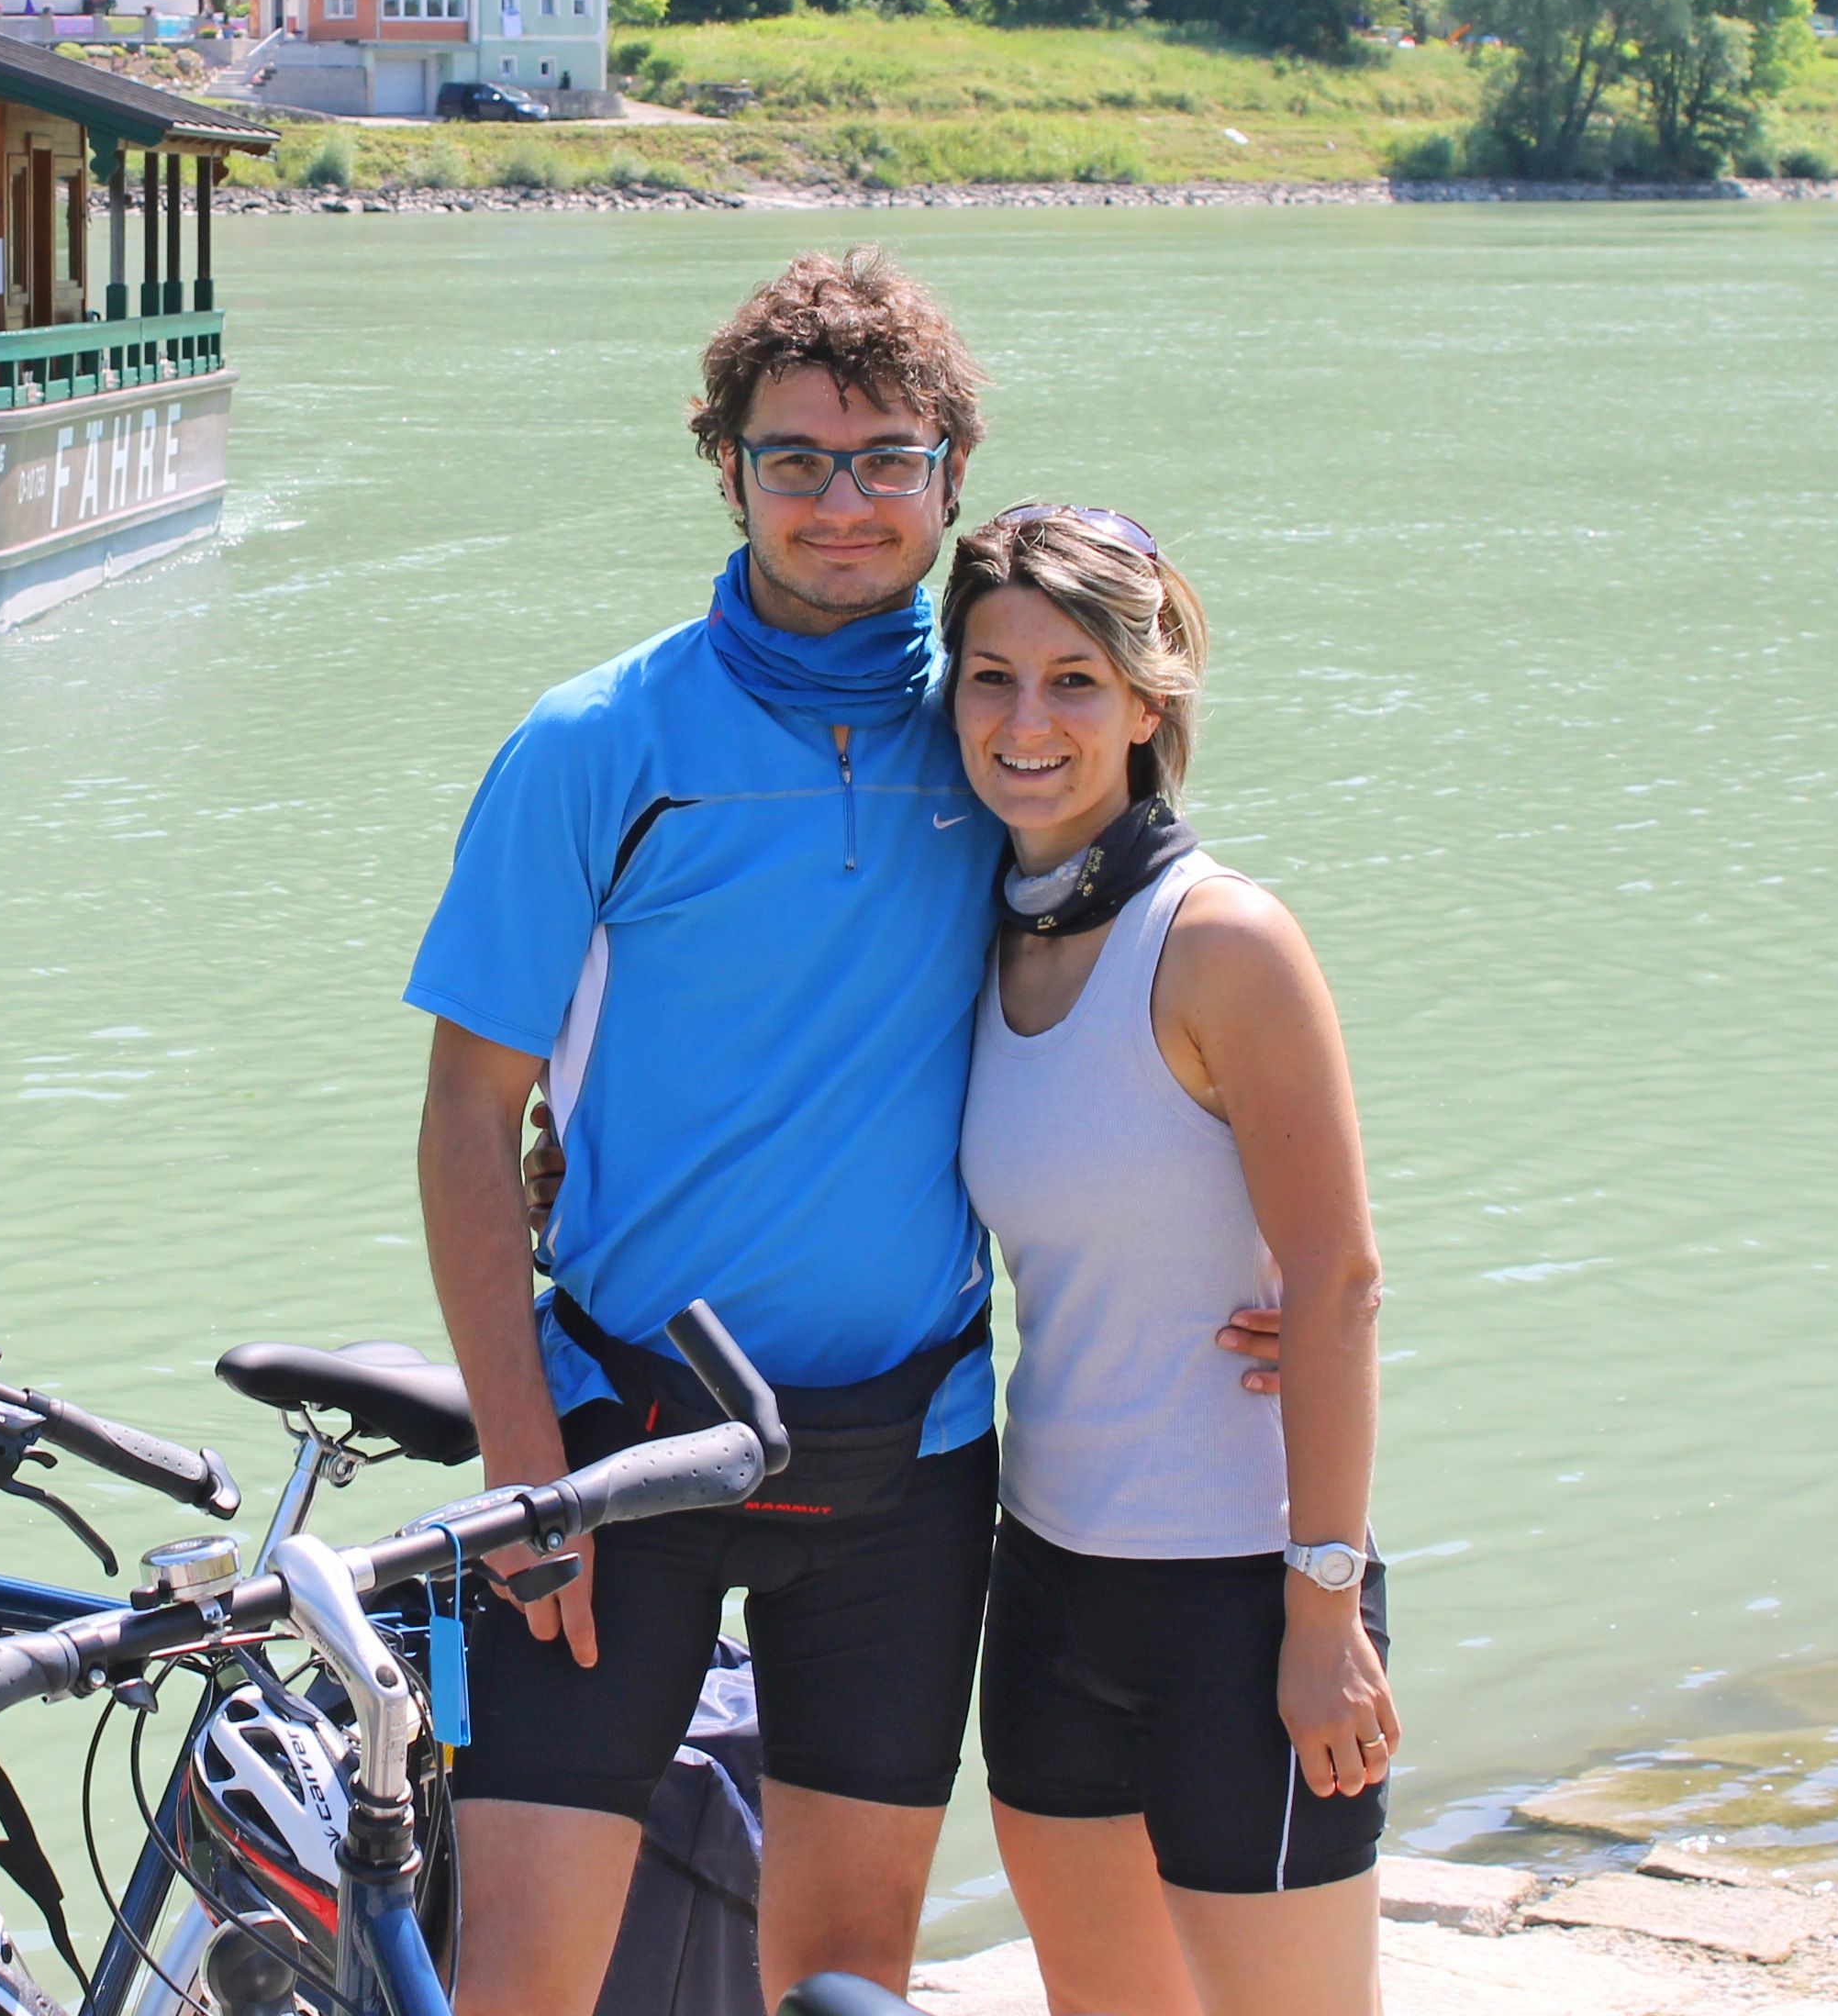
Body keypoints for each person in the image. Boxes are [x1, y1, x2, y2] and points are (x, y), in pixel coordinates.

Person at [406, 249, 1005, 2013]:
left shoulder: (1006, 736)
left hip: (912, 1446)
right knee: (522, 1967)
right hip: (618, 1441)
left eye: (887, 457)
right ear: (724, 467)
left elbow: (1144, 1025)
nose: (843, 501)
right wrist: (524, 1471)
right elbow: (465, 1126)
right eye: (794, 459)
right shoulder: (599, 741)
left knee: (844, 1978)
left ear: (952, 473)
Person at [946, 506, 1398, 2016]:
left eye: (1075, 680)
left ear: (1152, 701)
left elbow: (1337, 1280)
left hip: (1246, 1602)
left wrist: (1322, 1612)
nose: (1027, 722)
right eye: (990, 677)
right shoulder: (982, 941)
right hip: (1052, 1588)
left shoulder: (1222, 941)